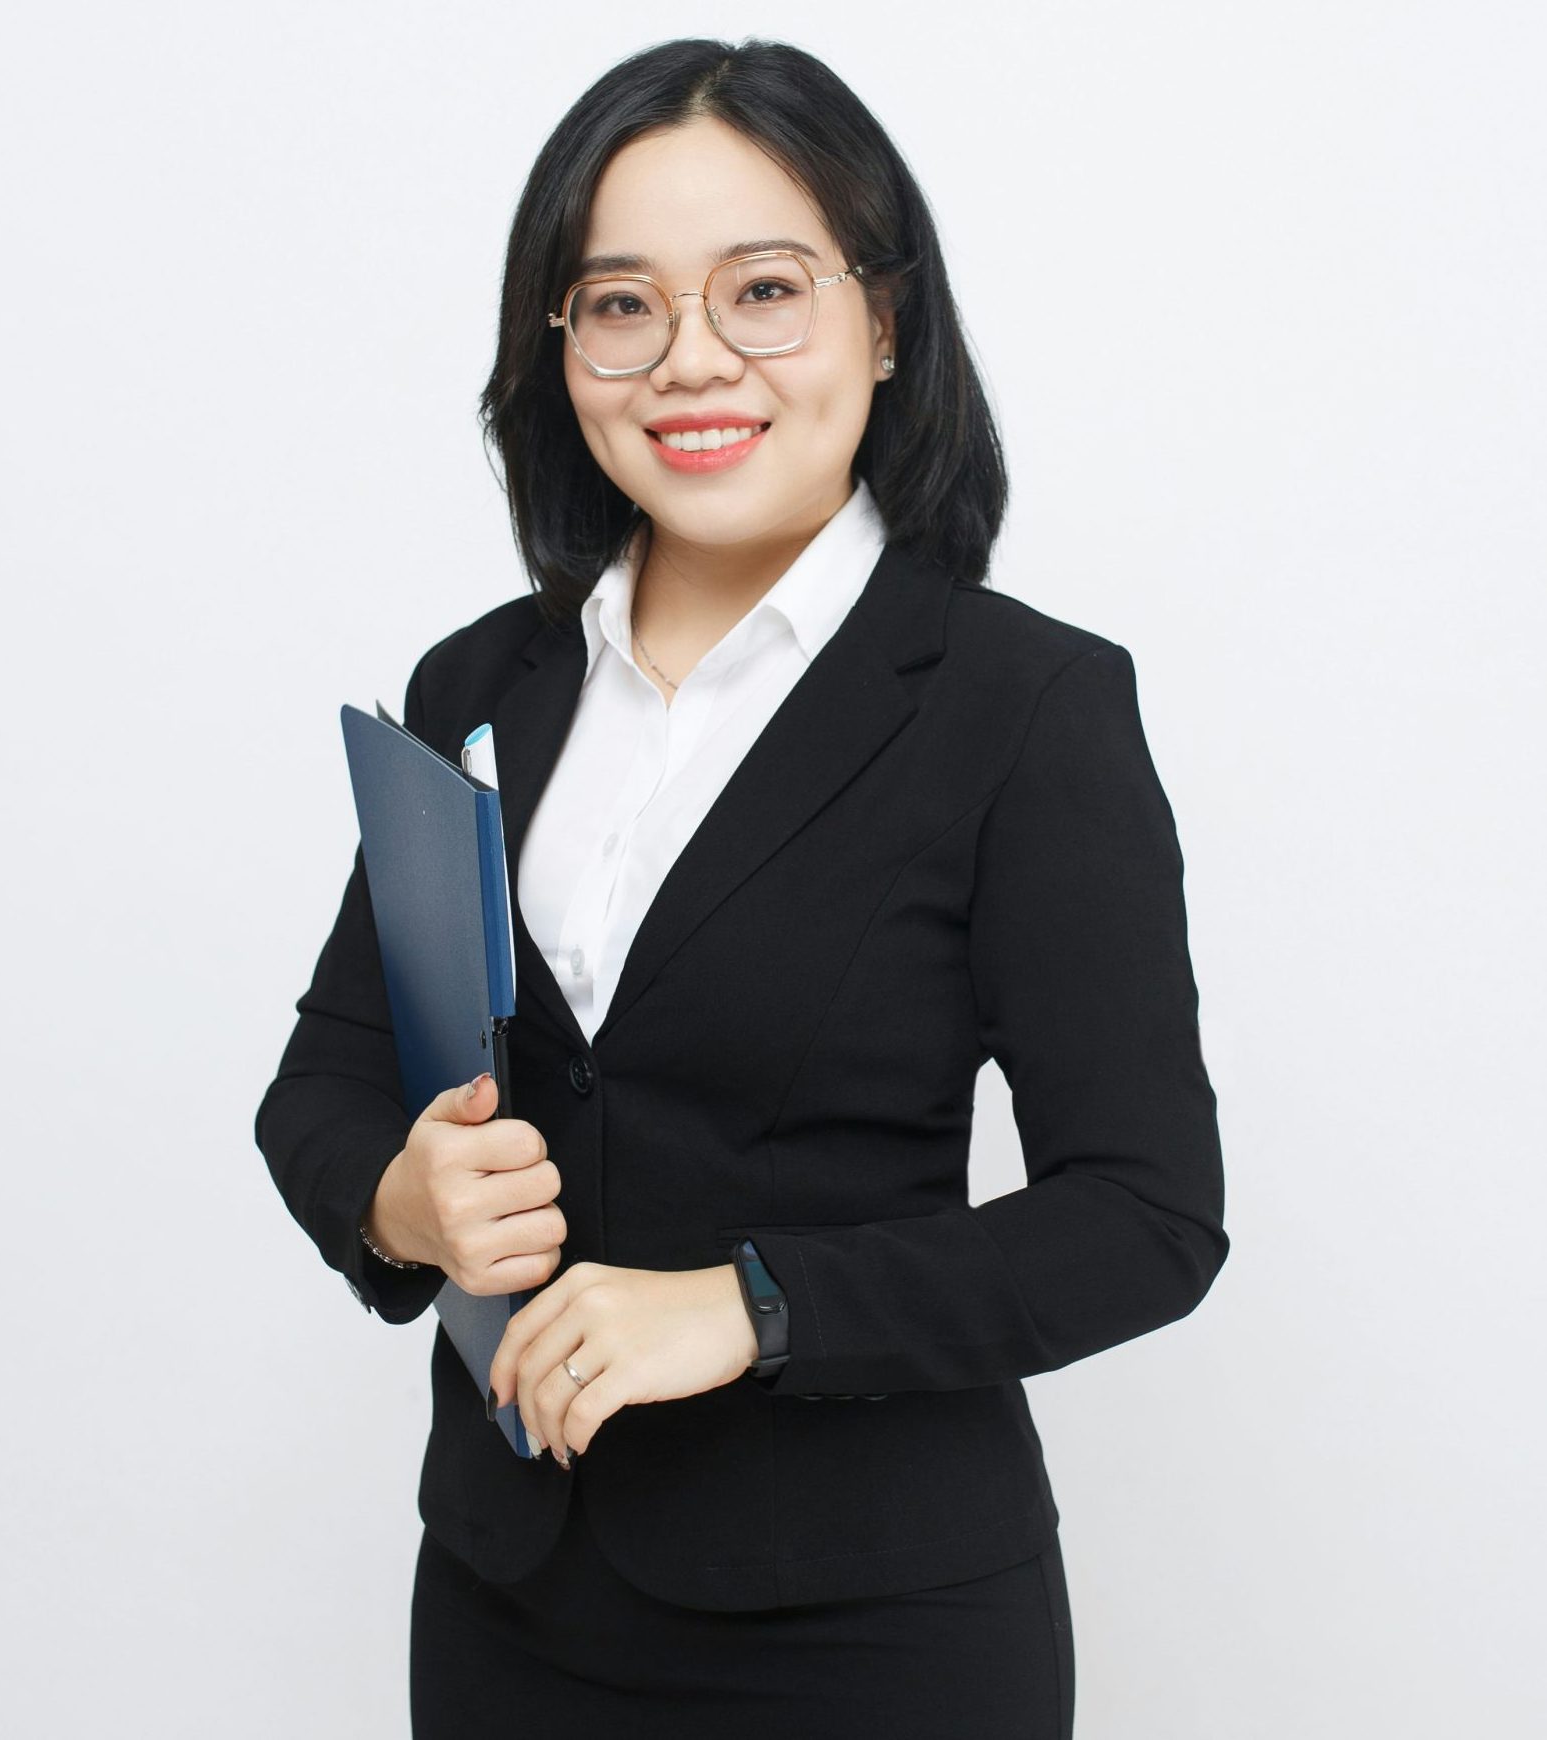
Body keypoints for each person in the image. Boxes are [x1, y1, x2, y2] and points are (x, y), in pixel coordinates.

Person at [255, 36, 1228, 1740]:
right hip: (503, 1598)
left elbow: (1144, 1218)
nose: (689, 358)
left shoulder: (1023, 712)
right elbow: (324, 1086)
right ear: (554, 349)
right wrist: (405, 1205)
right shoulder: (481, 685)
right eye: (618, 304)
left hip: (867, 1636)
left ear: (884, 318)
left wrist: (750, 1307)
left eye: (762, 289)